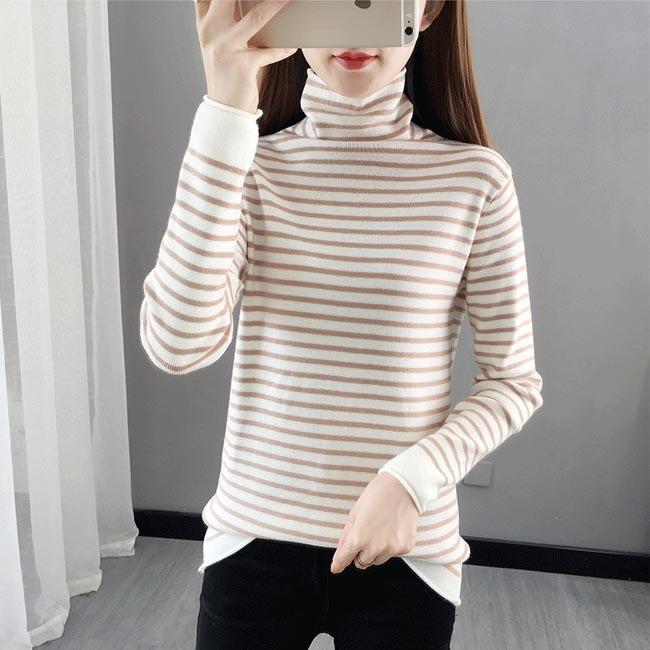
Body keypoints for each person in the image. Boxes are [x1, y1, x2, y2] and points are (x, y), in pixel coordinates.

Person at [139, 0, 544, 647]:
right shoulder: (248, 166)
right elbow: (176, 345)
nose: (353, 24)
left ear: (429, 10)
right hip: (253, 541)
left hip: (406, 549)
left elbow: (512, 383)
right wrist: (225, 110)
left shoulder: (476, 180)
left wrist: (409, 481)